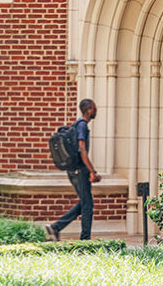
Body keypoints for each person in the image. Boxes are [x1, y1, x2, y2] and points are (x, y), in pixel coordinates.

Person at [46, 99, 101, 241]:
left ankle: (56, 227)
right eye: (94, 107)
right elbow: (82, 149)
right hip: (80, 171)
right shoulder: (82, 125)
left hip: (73, 171)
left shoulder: (76, 124)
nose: (96, 110)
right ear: (89, 109)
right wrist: (92, 171)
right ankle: (85, 240)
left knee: (85, 202)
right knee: (87, 205)